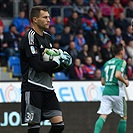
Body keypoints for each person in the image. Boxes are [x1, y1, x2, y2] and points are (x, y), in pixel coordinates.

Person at [19, 6, 72, 133]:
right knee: (34, 128)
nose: (49, 20)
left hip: (48, 87)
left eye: (49, 17)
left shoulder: (48, 37)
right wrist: (56, 63)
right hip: (33, 87)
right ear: (35, 19)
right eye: (45, 17)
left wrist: (62, 65)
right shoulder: (30, 37)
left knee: (59, 125)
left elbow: (49, 65)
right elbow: (37, 65)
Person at [94, 43, 129, 133]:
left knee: (103, 115)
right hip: (117, 91)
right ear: (121, 52)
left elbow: (102, 82)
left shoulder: (107, 63)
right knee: (123, 117)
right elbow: (117, 75)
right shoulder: (122, 62)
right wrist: (125, 82)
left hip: (106, 92)